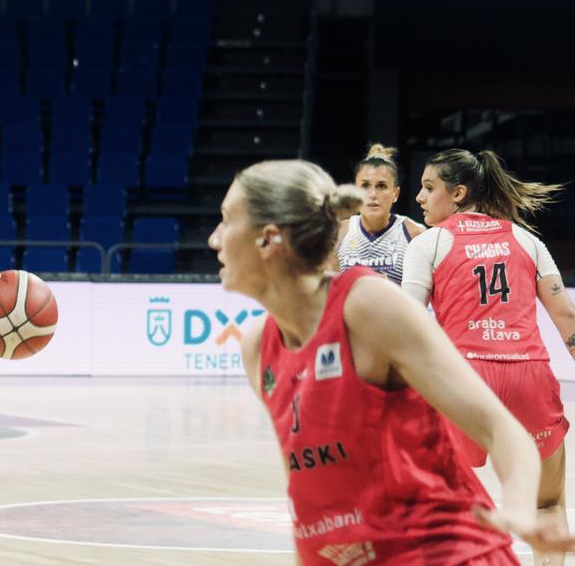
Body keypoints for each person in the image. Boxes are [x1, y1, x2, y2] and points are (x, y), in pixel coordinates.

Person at [209, 158, 575, 564]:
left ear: (269, 238)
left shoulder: (367, 305)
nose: (213, 238)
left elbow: (501, 429)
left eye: (226, 220)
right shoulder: (259, 347)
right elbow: (316, 497)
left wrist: (519, 511)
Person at [402, 148, 575, 566]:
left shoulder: (430, 243)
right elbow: (567, 318)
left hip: (465, 382)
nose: (420, 198)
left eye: (429, 188)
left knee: (446, 508)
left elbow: (406, 325)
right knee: (547, 505)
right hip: (529, 376)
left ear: (458, 193)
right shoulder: (527, 239)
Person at [333, 143, 424, 283]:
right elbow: (329, 292)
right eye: (365, 186)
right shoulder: (339, 232)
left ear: (395, 193)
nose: (372, 194)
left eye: (381, 186)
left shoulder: (414, 234)